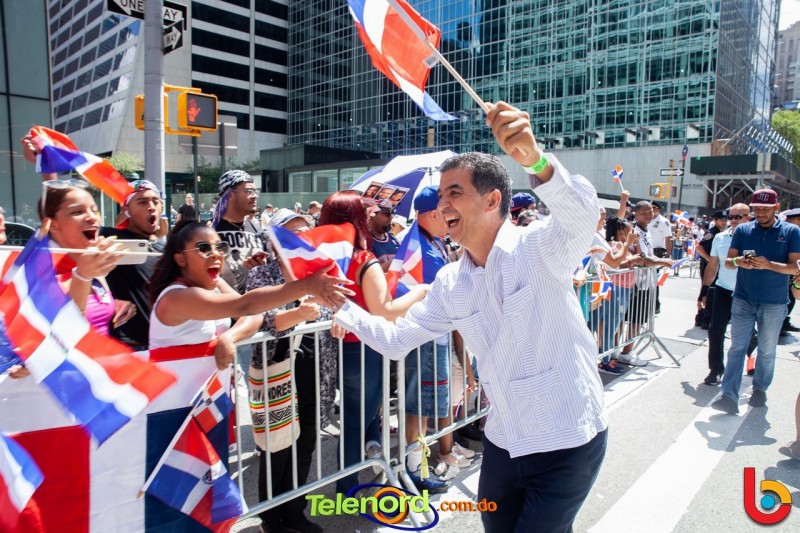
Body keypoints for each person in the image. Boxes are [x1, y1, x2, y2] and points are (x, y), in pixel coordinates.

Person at [333, 101, 607, 532]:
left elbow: (582, 216)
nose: (442, 205)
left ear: (493, 199)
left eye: (454, 193)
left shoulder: (539, 247)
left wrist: (535, 160)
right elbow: (396, 339)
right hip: (504, 443)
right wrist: (339, 306)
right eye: (441, 196)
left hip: (568, 440)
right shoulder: (449, 282)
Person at [317, 191, 427, 495]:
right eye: (366, 211)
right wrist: (422, 291)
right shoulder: (363, 259)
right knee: (356, 422)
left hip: (335, 348)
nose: (372, 215)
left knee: (354, 419)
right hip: (364, 347)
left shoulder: (321, 259)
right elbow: (385, 310)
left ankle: (348, 485)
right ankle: (347, 489)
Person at [148, 220, 353, 366]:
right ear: (180, 259)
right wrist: (307, 285)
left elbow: (254, 315)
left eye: (220, 247)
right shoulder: (175, 297)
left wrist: (230, 337)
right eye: (204, 248)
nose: (216, 254)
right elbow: (245, 306)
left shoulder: (215, 283)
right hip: (172, 403)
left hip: (208, 399)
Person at [245, 210, 331, 533]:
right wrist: (300, 313)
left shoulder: (318, 273)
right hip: (278, 369)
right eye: (292, 233)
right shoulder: (262, 275)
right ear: (274, 240)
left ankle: (295, 511)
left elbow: (333, 309)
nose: (301, 239)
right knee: (277, 446)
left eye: (305, 233)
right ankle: (271, 518)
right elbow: (265, 320)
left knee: (305, 442)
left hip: (312, 367)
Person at [402, 186, 474, 488]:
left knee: (428, 404)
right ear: (434, 214)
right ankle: (414, 469)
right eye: (447, 212)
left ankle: (420, 464)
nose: (450, 218)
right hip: (425, 336)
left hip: (436, 335)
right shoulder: (418, 245)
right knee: (419, 406)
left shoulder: (431, 242)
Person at [712, 189, 800, 415]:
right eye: (757, 209)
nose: (760, 213)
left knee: (767, 350)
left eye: (765, 209)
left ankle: (760, 388)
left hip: (774, 302)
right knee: (737, 347)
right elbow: (729, 262)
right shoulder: (743, 229)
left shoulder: (791, 231)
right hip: (743, 298)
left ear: (776, 208)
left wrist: (769, 265)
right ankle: (728, 395)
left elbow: (795, 268)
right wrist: (739, 261)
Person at [97, 180, 167, 350]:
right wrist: (110, 302)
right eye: (142, 202)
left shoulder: (166, 248)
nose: (151, 207)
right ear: (126, 210)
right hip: (128, 346)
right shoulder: (110, 238)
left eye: (156, 202)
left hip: (164, 345)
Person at [699, 204, 750, 386]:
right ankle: (716, 369)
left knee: (747, 335)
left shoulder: (754, 237)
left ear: (748, 217)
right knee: (715, 330)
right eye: (731, 216)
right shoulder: (720, 238)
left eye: (739, 217)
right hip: (723, 290)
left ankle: (751, 358)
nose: (734, 220)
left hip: (746, 293)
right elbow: (712, 266)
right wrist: (704, 291)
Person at [212, 170, 268, 293]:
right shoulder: (210, 232)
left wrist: (262, 267)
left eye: (255, 192)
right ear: (230, 194)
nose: (255, 196)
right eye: (249, 191)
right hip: (221, 301)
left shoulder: (258, 231)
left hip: (255, 301)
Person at [368, 204, 400, 271]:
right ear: (372, 214)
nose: (391, 217)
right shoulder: (364, 242)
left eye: (392, 212)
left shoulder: (393, 240)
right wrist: (391, 264)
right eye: (387, 213)